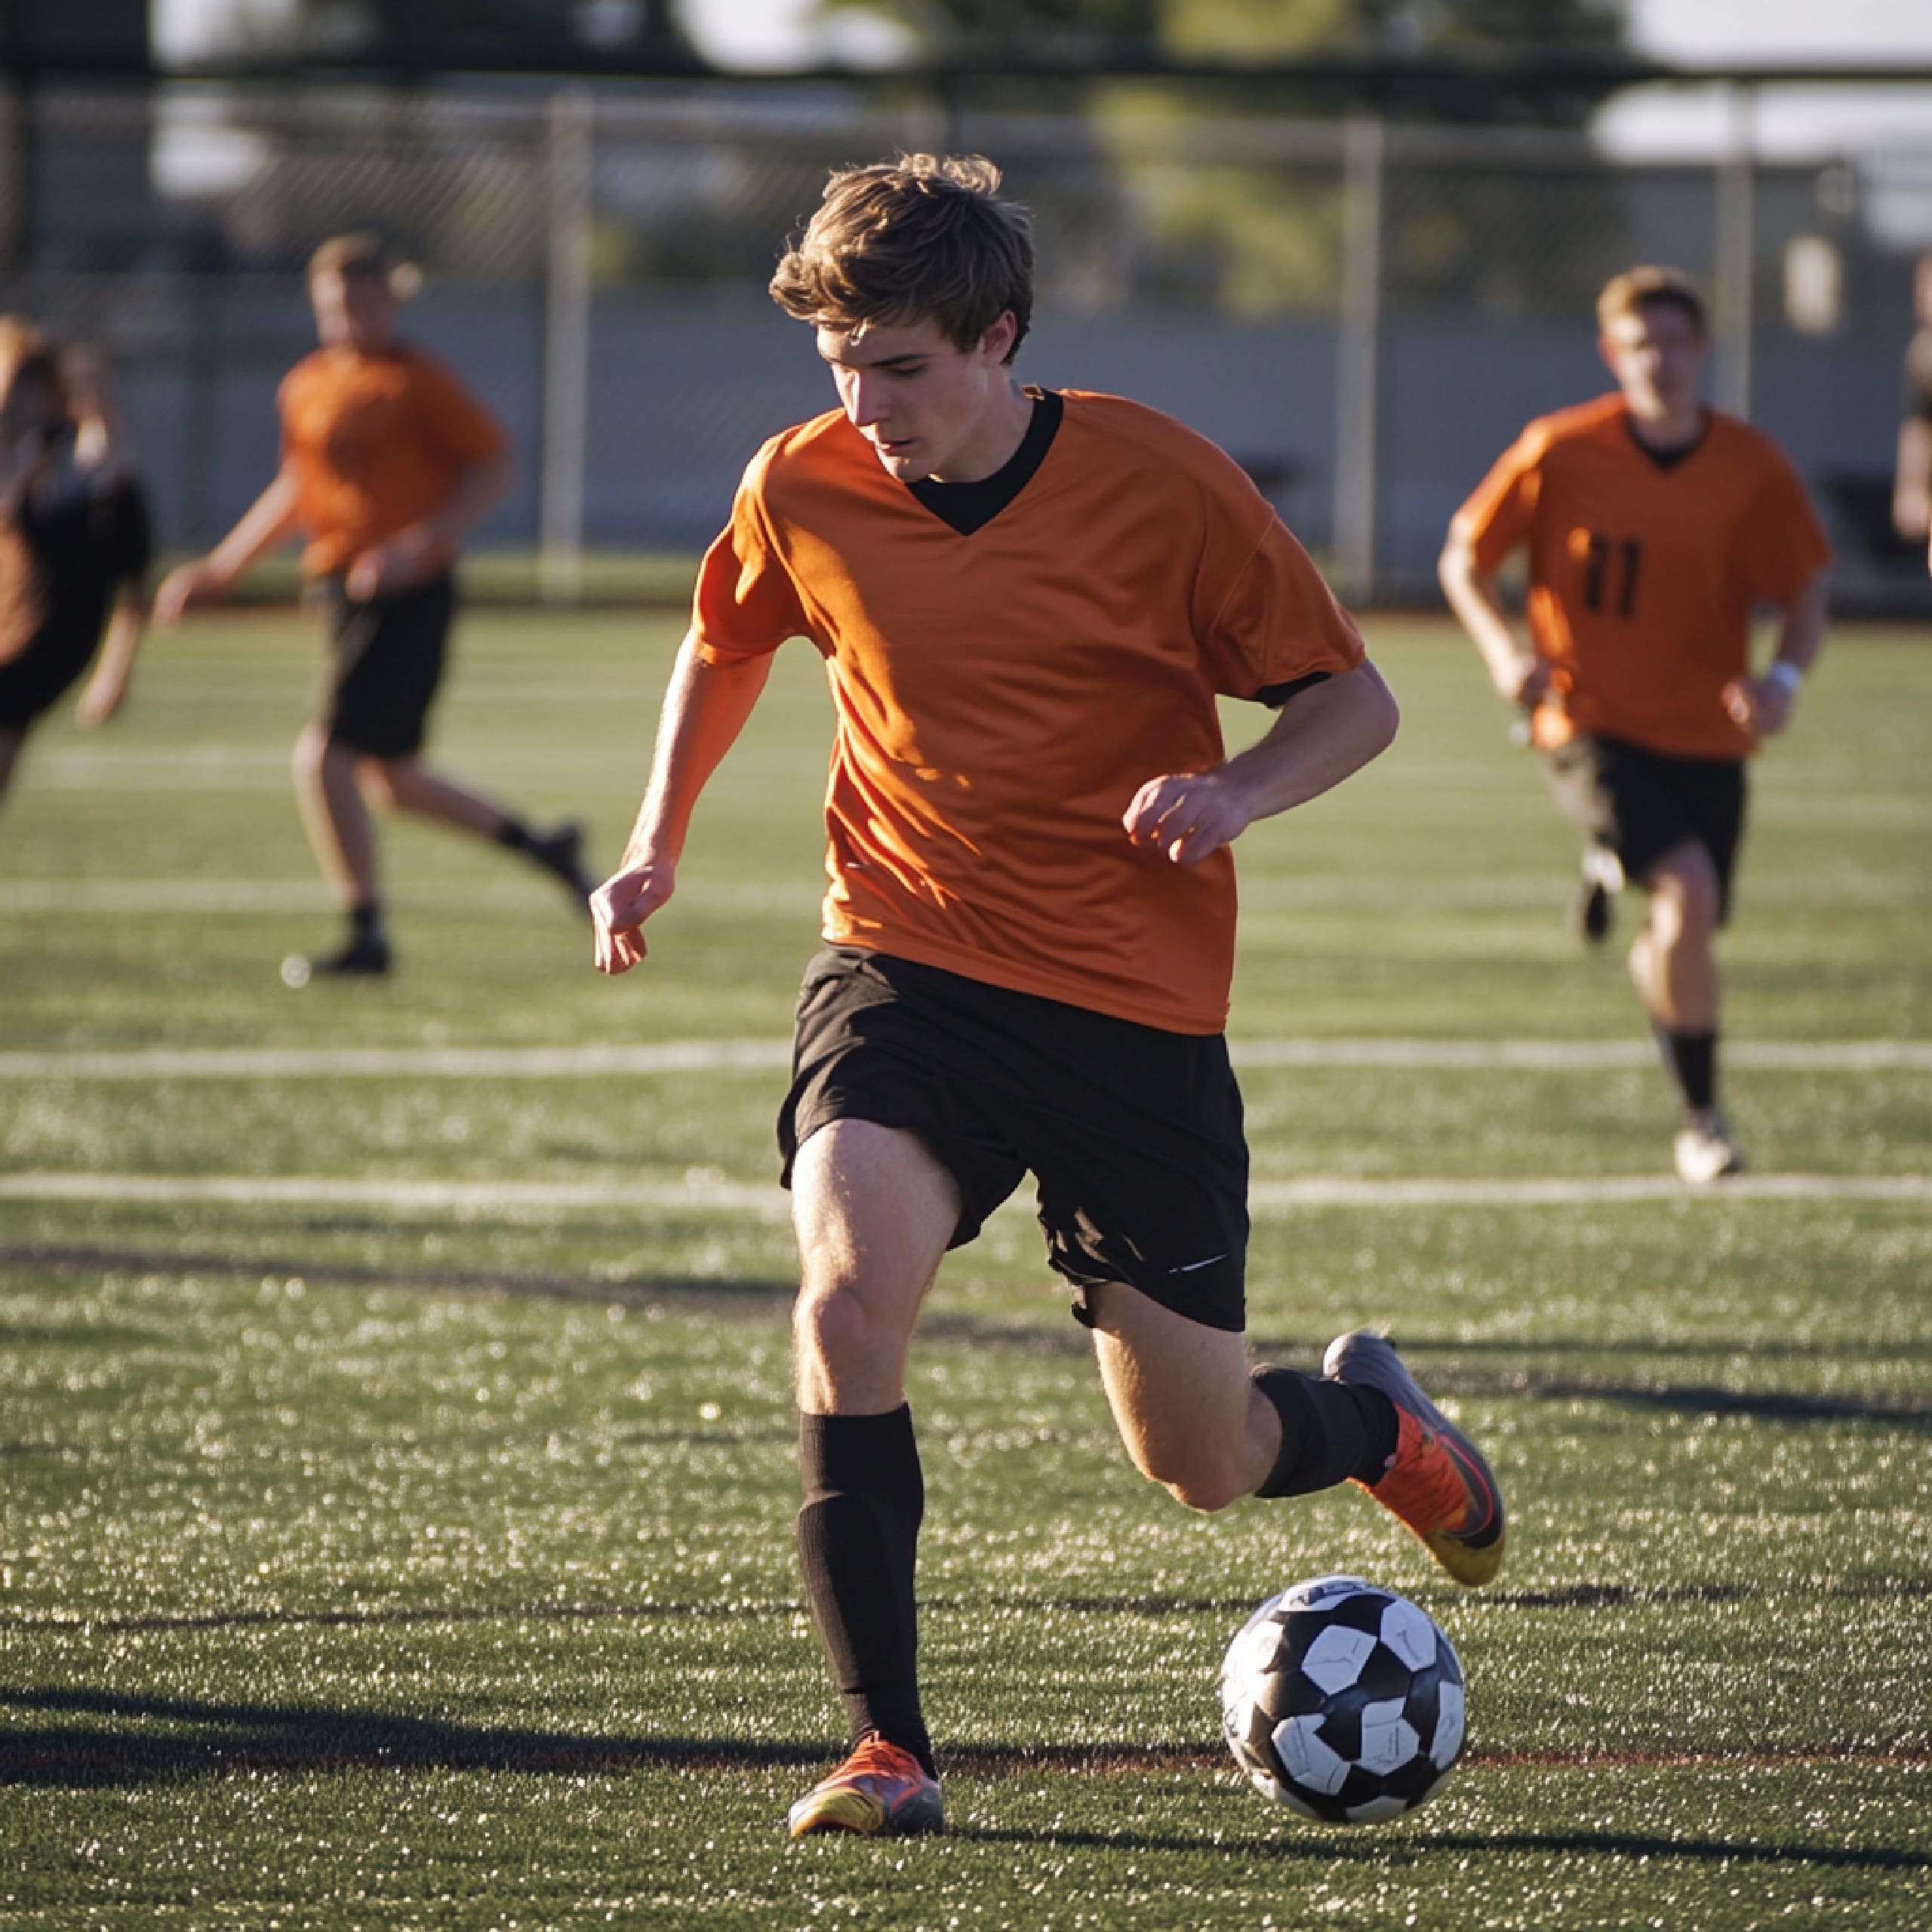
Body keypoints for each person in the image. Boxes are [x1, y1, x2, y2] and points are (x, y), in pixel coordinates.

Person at [590, 154, 1506, 1840]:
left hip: (1126, 1012)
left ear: (998, 337)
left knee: (1201, 1457)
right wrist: (655, 842)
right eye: (840, 365)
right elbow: (727, 636)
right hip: (901, 962)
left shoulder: (1161, 481)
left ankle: (1376, 1426)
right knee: (846, 1300)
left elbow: (1349, 700)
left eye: (902, 367)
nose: (865, 404)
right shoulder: (801, 481)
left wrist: (1232, 793)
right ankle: (886, 1746)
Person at [1439, 265, 1831, 1186]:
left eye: (1674, 341)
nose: (1659, 359)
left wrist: (1780, 676)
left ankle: (1610, 863)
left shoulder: (1750, 464)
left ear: (1702, 350)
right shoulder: (1561, 448)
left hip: (1705, 731)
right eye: (1639, 343)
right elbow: (1467, 555)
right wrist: (1503, 653)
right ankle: (1702, 1117)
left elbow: (1805, 585)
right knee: (1687, 893)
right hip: (1589, 719)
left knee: (1681, 931)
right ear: (1612, 353)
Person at [154, 232, 593, 980]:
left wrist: (420, 543)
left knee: (324, 755)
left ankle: (367, 935)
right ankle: (544, 848)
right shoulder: (307, 383)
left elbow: (495, 462)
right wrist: (223, 568)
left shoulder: (416, 381)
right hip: (339, 593)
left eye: (364, 301)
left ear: (391, 301)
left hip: (407, 595)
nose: (350, 317)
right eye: (335, 304)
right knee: (390, 777)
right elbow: (297, 487)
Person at [0, 323, 153, 810]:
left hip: (52, 631)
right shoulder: (22, 455)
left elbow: (133, 583)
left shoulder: (81, 466)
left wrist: (115, 671)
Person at [1891, 251, 1932, 575]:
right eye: (1921, 290)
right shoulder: (1923, 355)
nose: (1923, 299)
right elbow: (1919, 426)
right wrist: (1911, 486)